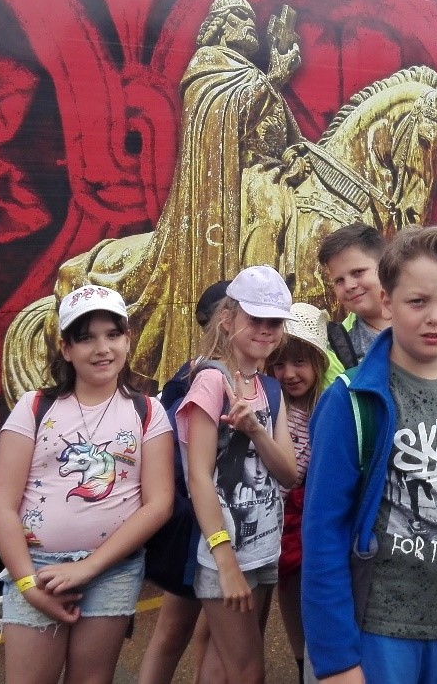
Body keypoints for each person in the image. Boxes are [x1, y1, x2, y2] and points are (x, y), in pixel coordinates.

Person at [302, 225, 437, 684]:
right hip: (380, 630)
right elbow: (323, 533)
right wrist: (336, 660)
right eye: (417, 301)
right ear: (387, 301)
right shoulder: (352, 401)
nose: (434, 318)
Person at [0, 285, 174, 684]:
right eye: (86, 338)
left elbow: (159, 504)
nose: (102, 348)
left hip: (112, 572)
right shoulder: (34, 407)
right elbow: (0, 505)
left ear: (127, 340)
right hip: (37, 569)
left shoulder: (148, 412)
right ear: (66, 349)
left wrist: (90, 567)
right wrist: (27, 585)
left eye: (112, 334)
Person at [180, 266, 299, 684]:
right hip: (225, 554)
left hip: (263, 549)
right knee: (248, 670)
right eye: (256, 318)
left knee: (221, 664)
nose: (266, 330)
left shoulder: (269, 388)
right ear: (228, 320)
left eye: (275, 322)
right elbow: (198, 477)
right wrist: (225, 561)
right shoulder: (211, 383)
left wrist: (254, 430)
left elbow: (288, 473)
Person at [138, 282, 228, 684]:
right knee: (180, 629)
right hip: (202, 525)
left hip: (206, 523)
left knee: (194, 631)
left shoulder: (195, 371)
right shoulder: (206, 377)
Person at [267, 302, 342, 683]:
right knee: (290, 591)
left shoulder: (330, 406)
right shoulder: (273, 407)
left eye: (299, 362)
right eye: (279, 364)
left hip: (315, 517)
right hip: (282, 520)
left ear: (318, 361)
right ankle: (301, 665)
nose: (289, 374)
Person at [320, 223, 391, 369]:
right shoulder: (337, 347)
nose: (349, 286)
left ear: (385, 267)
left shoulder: (422, 316)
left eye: (358, 272)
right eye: (339, 280)